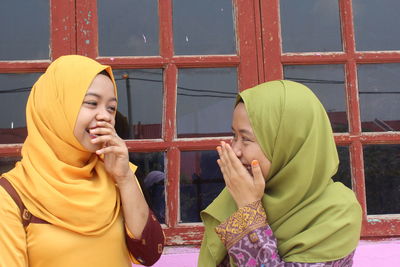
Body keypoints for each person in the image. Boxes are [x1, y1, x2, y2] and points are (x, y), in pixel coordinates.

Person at [0, 55, 164, 267]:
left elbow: (149, 253)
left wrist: (125, 178)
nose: (104, 116)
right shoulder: (13, 194)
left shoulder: (116, 175)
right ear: (55, 108)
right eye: (92, 103)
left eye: (111, 108)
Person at [198, 80, 362, 266]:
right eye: (234, 136)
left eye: (246, 138)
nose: (235, 150)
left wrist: (249, 210)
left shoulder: (338, 214)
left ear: (287, 143)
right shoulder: (235, 195)